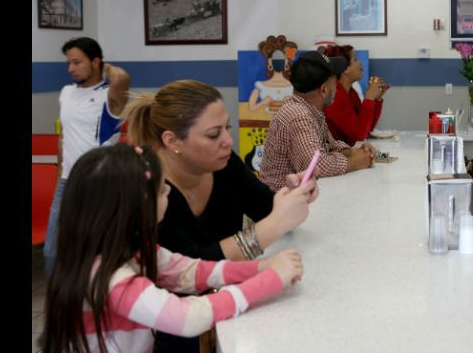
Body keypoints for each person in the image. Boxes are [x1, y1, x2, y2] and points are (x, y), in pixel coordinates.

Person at [42, 143, 304, 353]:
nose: (168, 190)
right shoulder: (112, 279)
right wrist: (270, 280)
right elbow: (187, 318)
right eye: (159, 190)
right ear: (135, 207)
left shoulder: (135, 249)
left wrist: (259, 268)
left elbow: (191, 271)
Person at [123, 79, 317, 352]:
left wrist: (291, 195)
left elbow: (264, 207)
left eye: (227, 128)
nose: (228, 141)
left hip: (227, 312)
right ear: (172, 141)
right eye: (214, 134)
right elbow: (188, 279)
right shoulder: (150, 193)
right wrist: (272, 237)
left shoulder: (223, 162)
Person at [43, 37, 130, 277]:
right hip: (67, 182)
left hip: (100, 183)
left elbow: (122, 78)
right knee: (52, 250)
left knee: (96, 252)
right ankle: (60, 306)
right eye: (69, 63)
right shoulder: (66, 92)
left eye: (77, 62)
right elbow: (65, 137)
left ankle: (95, 303)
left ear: (95, 62)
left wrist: (105, 68)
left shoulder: (110, 95)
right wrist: (61, 171)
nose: (71, 68)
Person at [259, 51, 376, 191]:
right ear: (324, 90)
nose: (337, 86)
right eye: (335, 81)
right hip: (279, 201)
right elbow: (317, 166)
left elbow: (329, 145)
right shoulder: (298, 117)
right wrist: (355, 162)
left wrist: (352, 152)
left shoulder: (310, 109)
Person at [320, 44, 389, 146]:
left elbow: (367, 129)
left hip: (345, 151)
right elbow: (359, 134)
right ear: (345, 68)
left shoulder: (351, 92)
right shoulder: (335, 95)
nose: (360, 62)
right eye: (355, 60)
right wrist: (369, 98)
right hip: (330, 155)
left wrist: (376, 99)